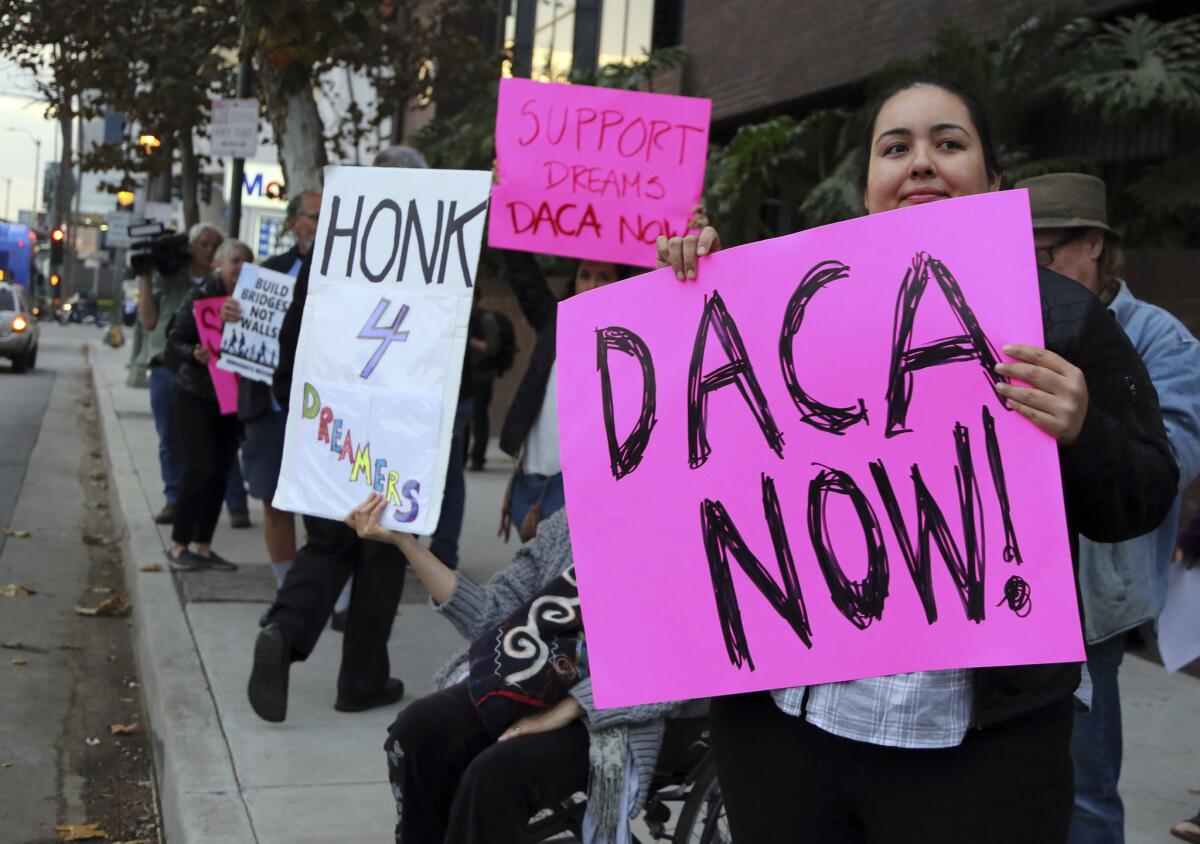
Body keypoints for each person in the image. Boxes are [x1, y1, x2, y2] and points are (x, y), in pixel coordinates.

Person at [660, 78, 1179, 844]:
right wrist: (689, 285)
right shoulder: (779, 306)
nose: (922, 164)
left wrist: (1082, 430)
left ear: (995, 183)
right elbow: (690, 453)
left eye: (949, 143)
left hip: (982, 753)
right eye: (895, 147)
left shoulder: (1064, 318)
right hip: (786, 735)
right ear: (868, 188)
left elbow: (1144, 496)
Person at [1015, 172, 1200, 844]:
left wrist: (1084, 421)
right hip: (1008, 592)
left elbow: (1166, 465)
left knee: (1083, 795)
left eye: (1043, 255)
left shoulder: (1161, 340)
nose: (1029, 272)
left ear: (1093, 245)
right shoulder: (998, 311)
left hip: (1089, 607)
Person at [346, 494, 679, 844]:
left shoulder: (701, 524)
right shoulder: (575, 517)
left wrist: (571, 707)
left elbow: (690, 668)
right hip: (539, 677)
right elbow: (493, 614)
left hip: (626, 709)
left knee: (494, 775)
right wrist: (405, 543)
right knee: (420, 728)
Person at [247, 147, 434, 723]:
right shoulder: (432, 258)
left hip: (333, 423)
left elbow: (294, 339)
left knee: (329, 544)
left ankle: (284, 629)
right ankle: (361, 680)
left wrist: (301, 411)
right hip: (399, 425)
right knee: (381, 553)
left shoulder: (333, 252)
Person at [222, 190, 321, 598]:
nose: (321, 223)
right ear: (292, 223)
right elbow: (241, 340)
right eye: (314, 216)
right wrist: (233, 316)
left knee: (324, 506)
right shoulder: (268, 273)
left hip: (321, 408)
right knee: (273, 499)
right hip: (271, 406)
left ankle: (334, 594)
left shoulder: (345, 274)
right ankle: (287, 591)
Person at [496, 251, 619, 542]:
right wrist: (506, 212)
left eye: (604, 277)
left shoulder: (630, 339)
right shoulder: (556, 322)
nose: (591, 285)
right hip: (531, 481)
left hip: (583, 486)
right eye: (585, 275)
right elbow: (523, 275)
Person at [138, 222, 251, 529]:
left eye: (215, 244)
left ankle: (235, 504)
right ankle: (176, 504)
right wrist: (145, 275)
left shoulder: (238, 291)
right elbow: (150, 321)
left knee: (220, 445)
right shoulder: (172, 277)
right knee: (172, 439)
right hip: (168, 365)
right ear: (189, 247)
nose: (209, 249)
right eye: (203, 243)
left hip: (218, 375)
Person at [163, 239, 255, 571]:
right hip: (196, 394)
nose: (240, 267)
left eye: (247, 261)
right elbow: (174, 340)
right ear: (218, 264)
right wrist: (195, 353)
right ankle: (178, 545)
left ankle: (203, 546)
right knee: (200, 467)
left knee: (220, 471)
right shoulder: (201, 297)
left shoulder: (255, 304)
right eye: (234, 260)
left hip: (231, 398)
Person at [464, 306, 516, 471]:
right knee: (464, 419)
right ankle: (462, 458)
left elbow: (492, 348)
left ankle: (477, 459)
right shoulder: (463, 317)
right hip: (467, 376)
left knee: (478, 417)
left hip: (482, 375)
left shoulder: (486, 319)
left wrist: (469, 340)